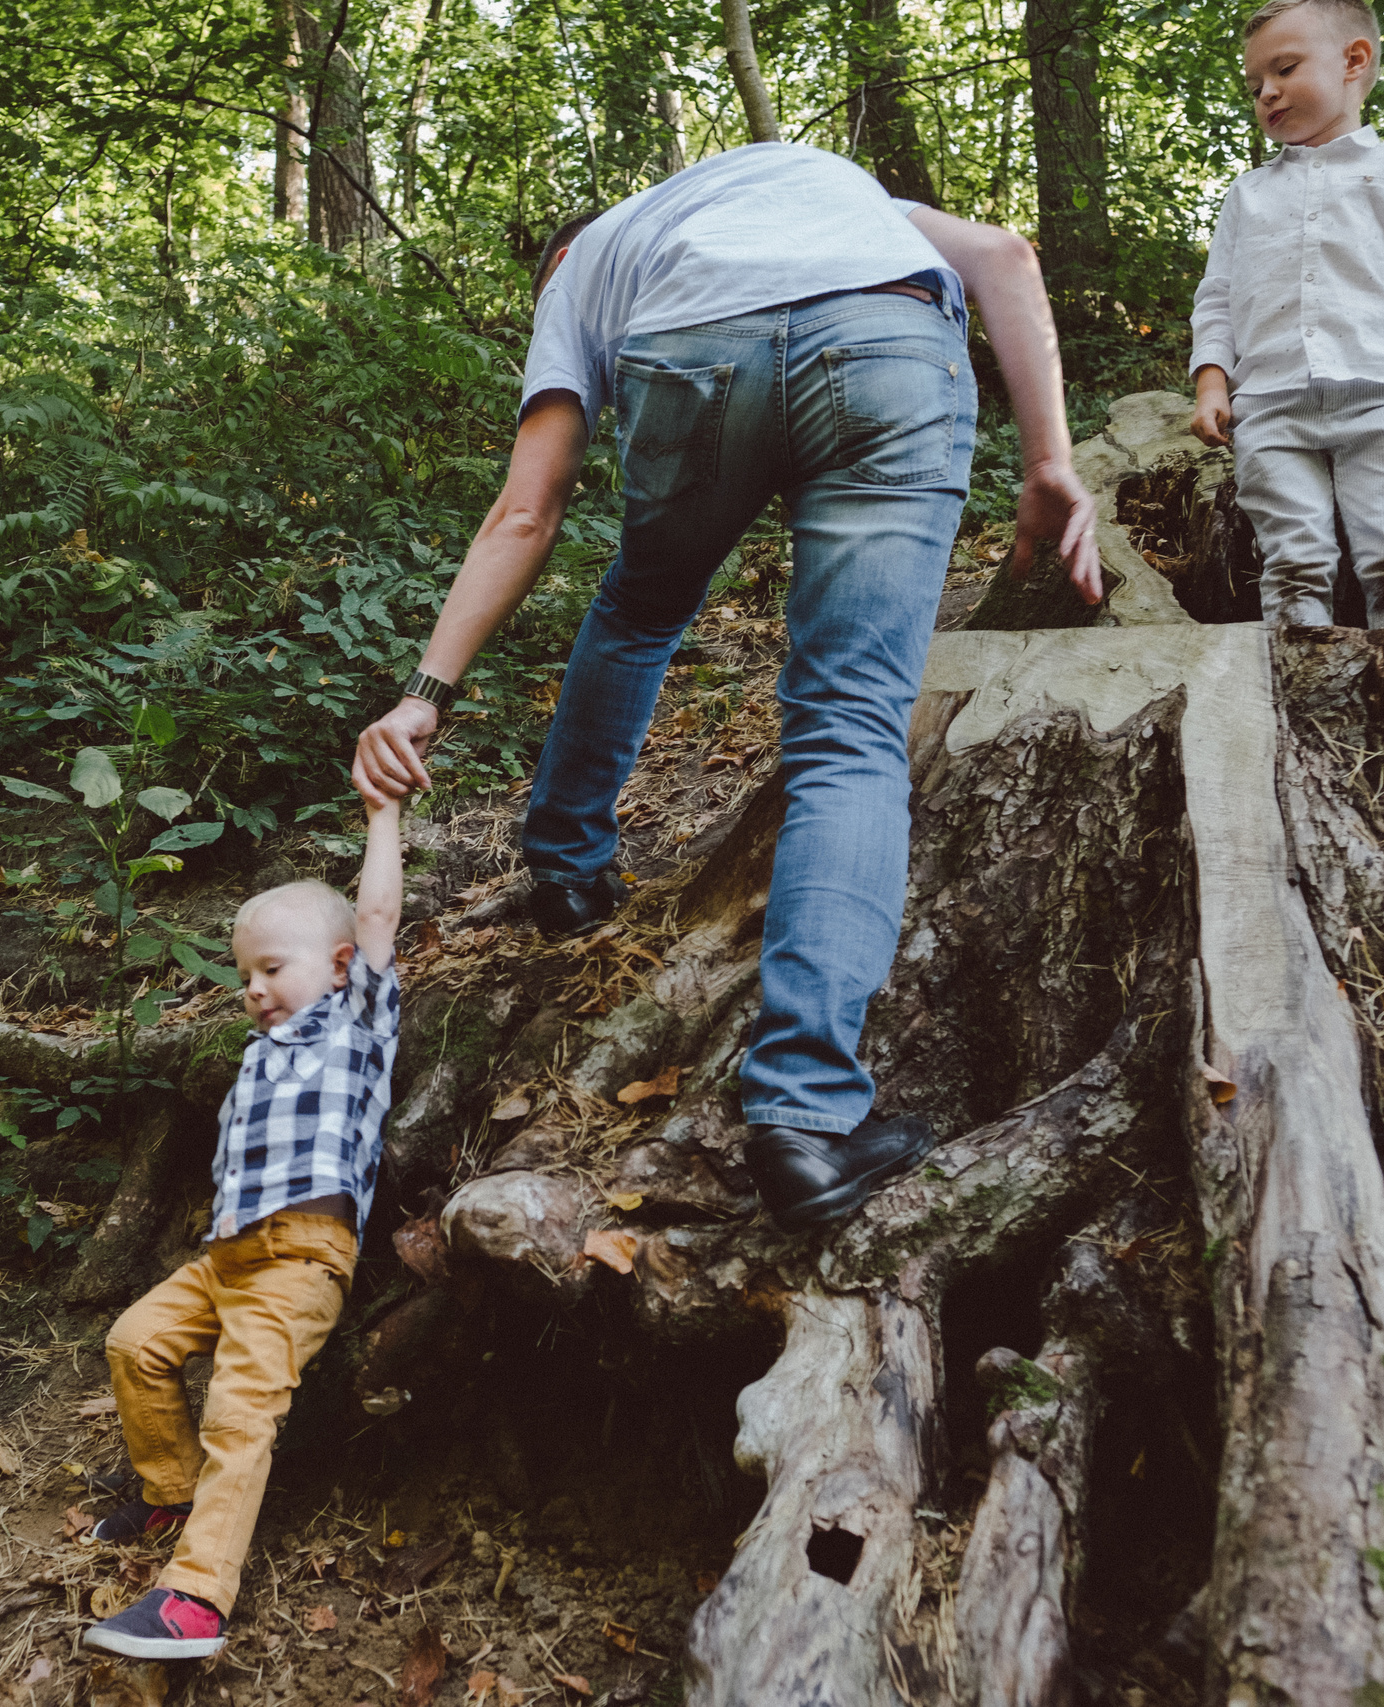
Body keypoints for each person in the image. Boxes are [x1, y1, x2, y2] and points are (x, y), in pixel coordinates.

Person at [350, 141, 1099, 1231]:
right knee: (848, 731)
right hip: (887, 341)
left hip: (692, 357)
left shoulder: (590, 259)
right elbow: (1001, 254)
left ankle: (565, 868)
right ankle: (801, 1119)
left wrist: (428, 688)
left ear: (554, 257)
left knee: (641, 605)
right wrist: (1048, 464)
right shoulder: (821, 185)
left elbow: (528, 507)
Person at [79, 790, 405, 1661]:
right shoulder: (262, 1051)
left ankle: (195, 1598)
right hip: (227, 1259)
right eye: (245, 976)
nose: (254, 989)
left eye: (272, 968)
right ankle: (170, 1488)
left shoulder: (356, 1026)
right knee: (133, 1341)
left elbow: (377, 913)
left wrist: (383, 814)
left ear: (339, 967)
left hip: (302, 1256)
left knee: (239, 1407)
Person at [1188, 0, 1384, 627]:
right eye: (1255, 85)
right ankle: (1297, 700)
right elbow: (1217, 294)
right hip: (1269, 410)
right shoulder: (1249, 195)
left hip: (1380, 398)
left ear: (1354, 60)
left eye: (1285, 68)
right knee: (1292, 564)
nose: (1267, 93)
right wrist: (1212, 379)